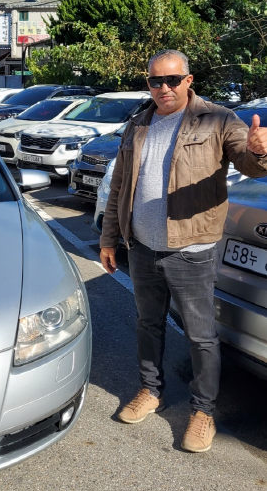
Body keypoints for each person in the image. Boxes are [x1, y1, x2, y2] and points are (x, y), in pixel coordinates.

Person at [100, 49, 267, 453]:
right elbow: (120, 186)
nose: (164, 88)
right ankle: (150, 391)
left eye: (172, 79)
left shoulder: (218, 119)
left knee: (201, 336)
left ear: (188, 81)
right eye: (155, 80)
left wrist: (260, 151)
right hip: (142, 247)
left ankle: (203, 411)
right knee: (148, 324)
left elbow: (248, 164)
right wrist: (108, 238)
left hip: (191, 251)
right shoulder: (138, 123)